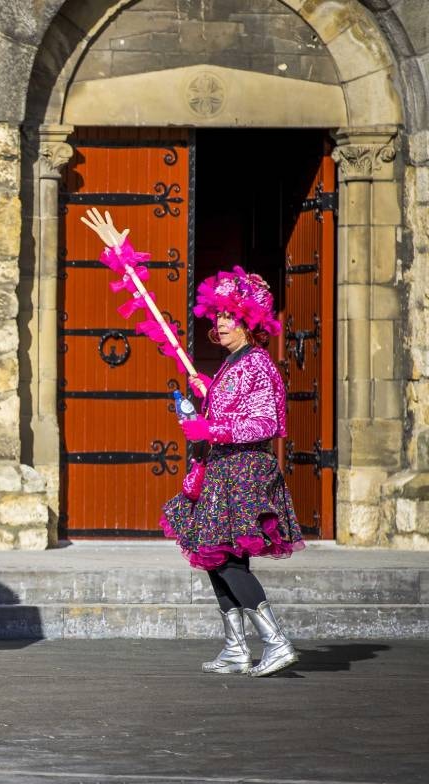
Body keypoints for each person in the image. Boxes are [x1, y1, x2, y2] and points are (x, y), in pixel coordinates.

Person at [87, 212, 305, 677]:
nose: (221, 323)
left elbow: (267, 421)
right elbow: (231, 411)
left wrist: (215, 430)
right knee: (216, 556)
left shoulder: (258, 364)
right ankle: (235, 647)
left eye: (230, 316)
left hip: (244, 472)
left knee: (226, 560)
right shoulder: (232, 364)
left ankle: (276, 640)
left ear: (250, 320)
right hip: (220, 472)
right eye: (220, 315)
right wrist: (206, 399)